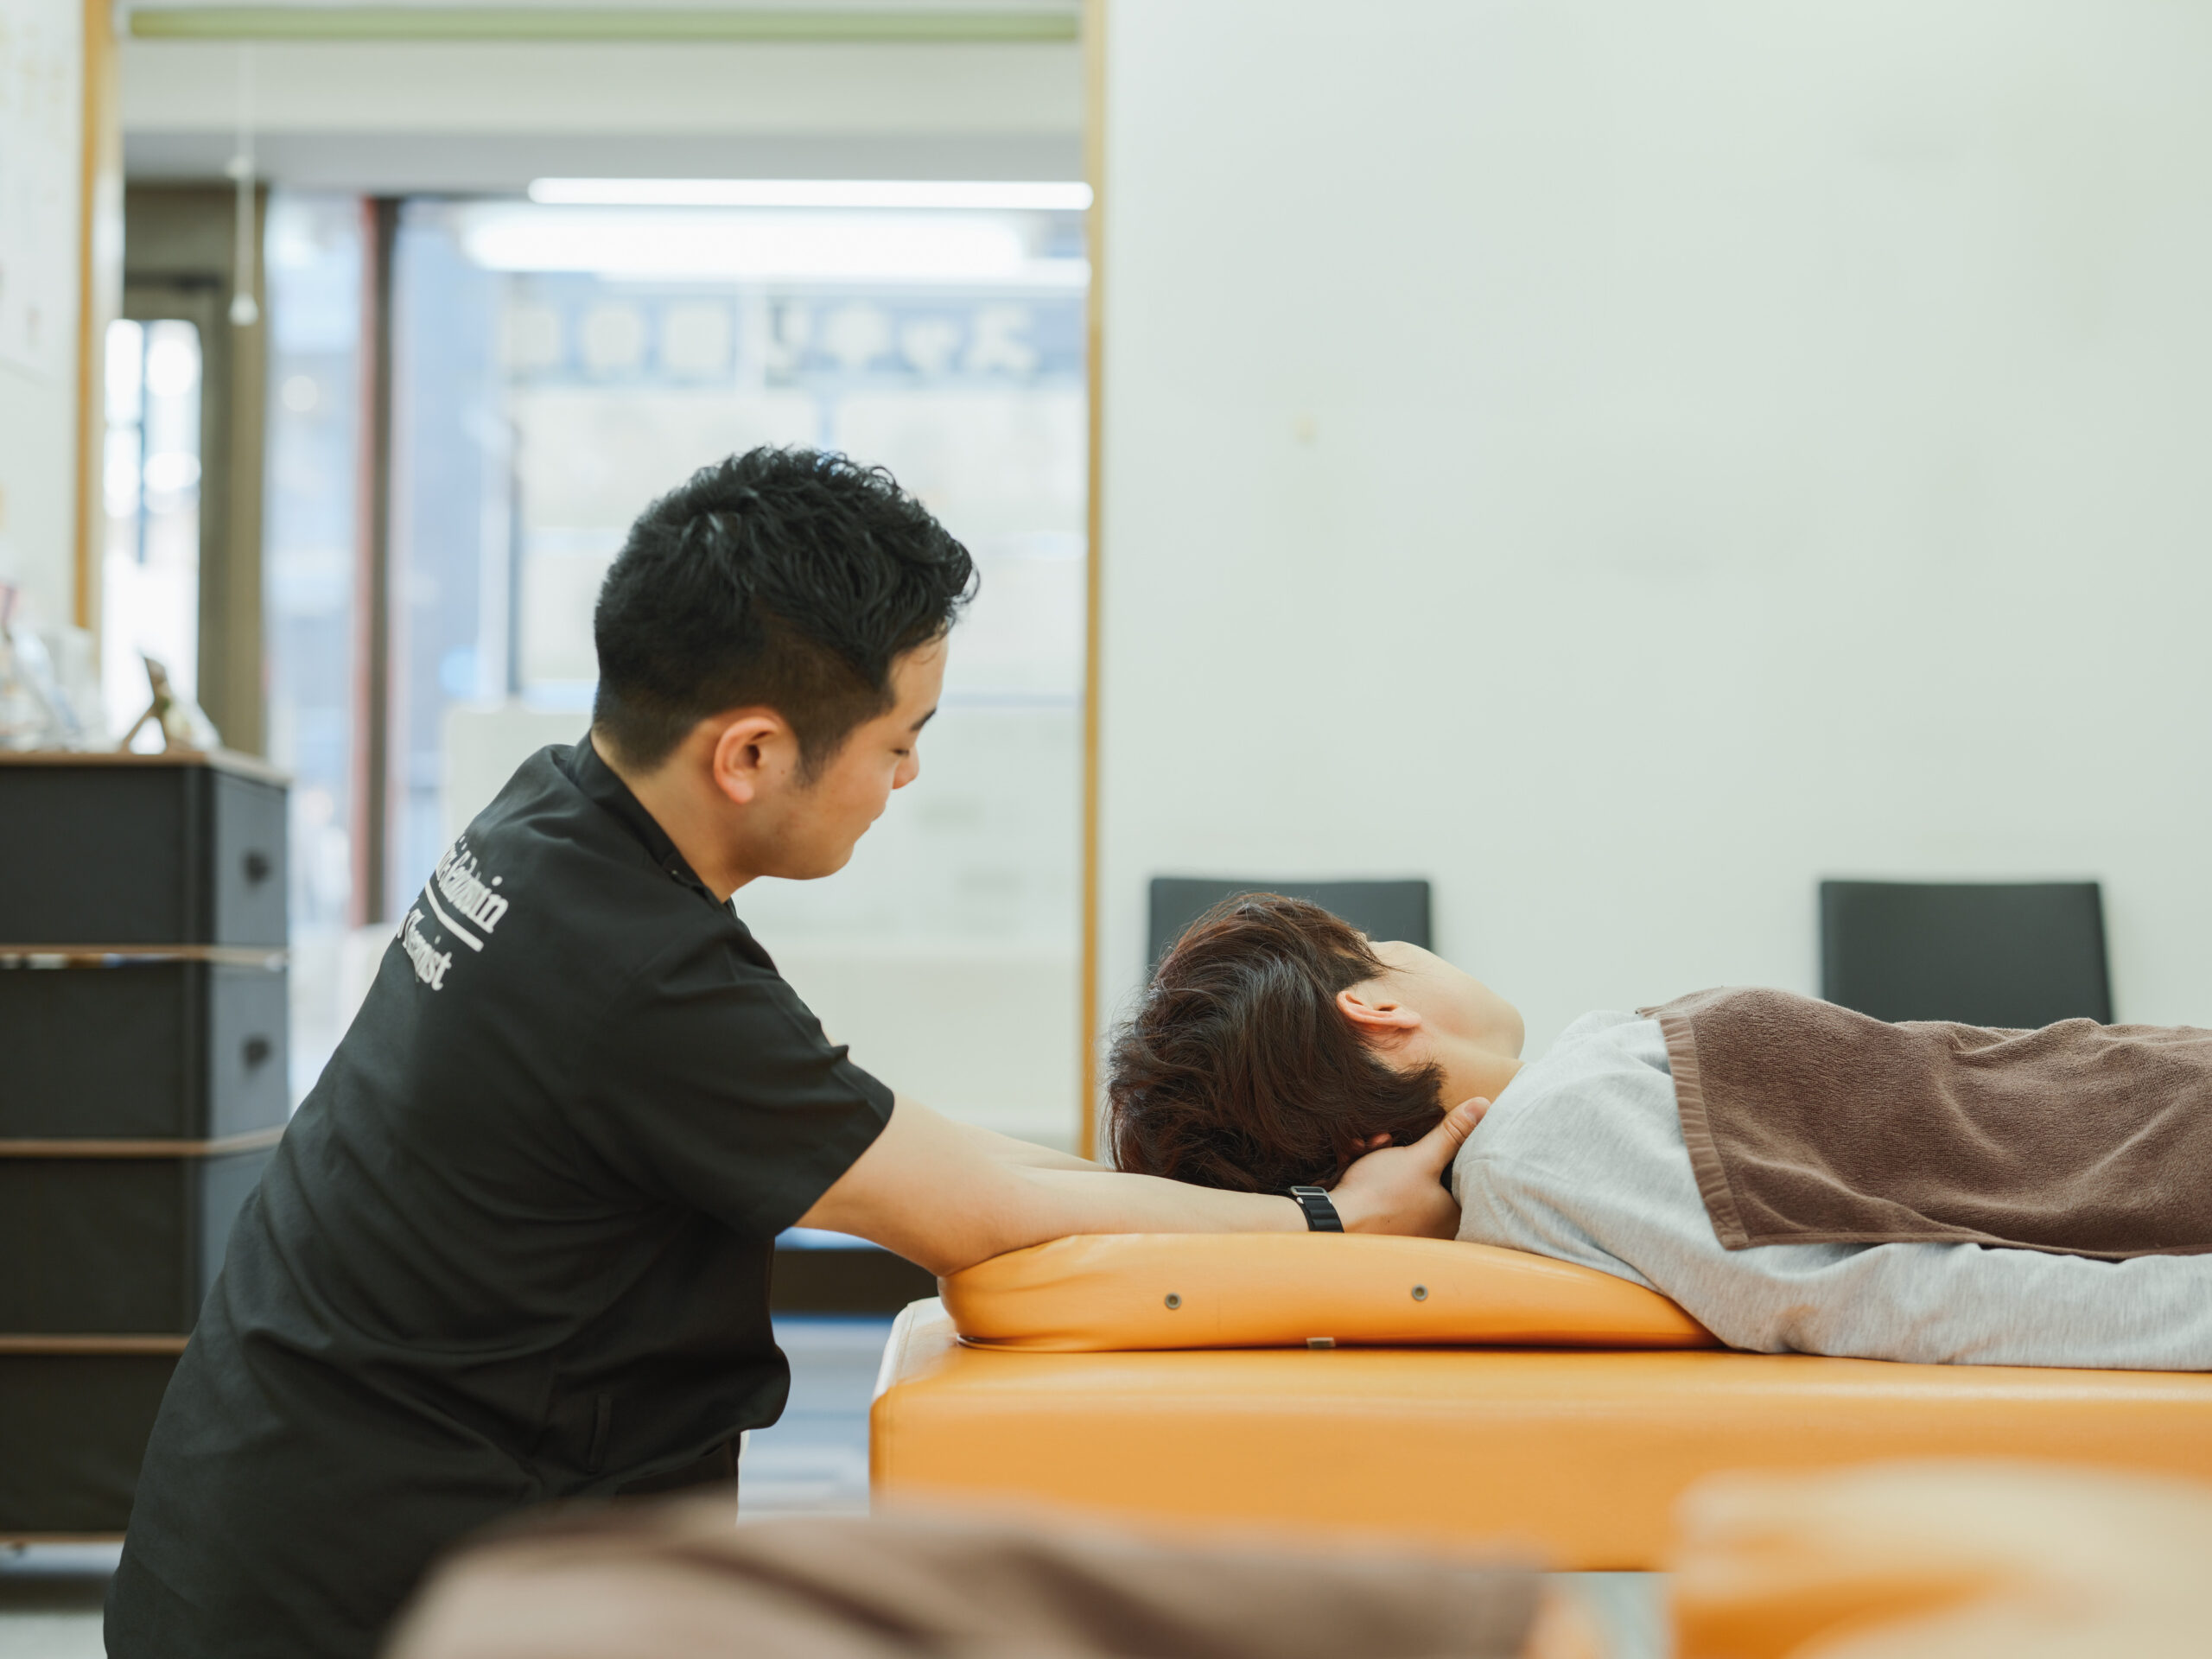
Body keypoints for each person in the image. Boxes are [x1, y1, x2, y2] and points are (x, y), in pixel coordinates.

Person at [105, 451, 1478, 1659]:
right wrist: (1333, 1223)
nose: (908, 777)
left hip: (260, 1525)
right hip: (366, 1600)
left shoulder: (554, 825)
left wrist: (1249, 1211)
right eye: (900, 740)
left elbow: (910, 1144)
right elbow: (974, 1212)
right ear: (752, 753)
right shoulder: (634, 973)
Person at [1108, 892, 2212, 1371]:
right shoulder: (1545, 1147)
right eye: (1389, 948)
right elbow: (1876, 1298)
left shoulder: (1559, 1113)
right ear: (1376, 1005)